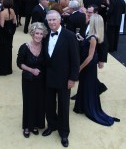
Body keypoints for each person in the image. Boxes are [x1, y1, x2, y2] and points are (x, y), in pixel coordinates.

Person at [42, 10, 80, 148]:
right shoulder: (45, 35)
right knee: (49, 104)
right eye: (49, 20)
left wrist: (73, 78)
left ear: (60, 20)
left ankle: (64, 133)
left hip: (64, 79)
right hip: (48, 78)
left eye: (54, 20)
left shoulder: (69, 36)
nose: (51, 22)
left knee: (63, 106)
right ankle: (52, 125)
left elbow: (75, 60)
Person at [73, 14, 120, 126]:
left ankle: (89, 108)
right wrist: (82, 39)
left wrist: (79, 68)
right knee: (85, 85)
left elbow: (89, 57)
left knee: (88, 85)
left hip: (88, 65)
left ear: (94, 23)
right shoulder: (92, 36)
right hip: (89, 63)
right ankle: (82, 106)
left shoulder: (93, 38)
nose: (88, 19)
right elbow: (88, 45)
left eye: (90, 19)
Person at [17, 22, 48, 138]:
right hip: (28, 80)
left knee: (39, 102)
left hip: (41, 80)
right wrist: (31, 70)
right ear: (32, 33)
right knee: (29, 102)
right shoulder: (25, 47)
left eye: (41, 34)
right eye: (36, 33)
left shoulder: (44, 46)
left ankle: (35, 124)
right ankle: (27, 126)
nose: (39, 36)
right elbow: (19, 64)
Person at [0, 0, 16, 76]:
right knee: (8, 51)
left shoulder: (2, 13)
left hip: (3, 36)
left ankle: (2, 70)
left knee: (2, 52)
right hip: (10, 35)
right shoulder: (12, 11)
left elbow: (1, 26)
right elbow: (14, 23)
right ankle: (8, 69)